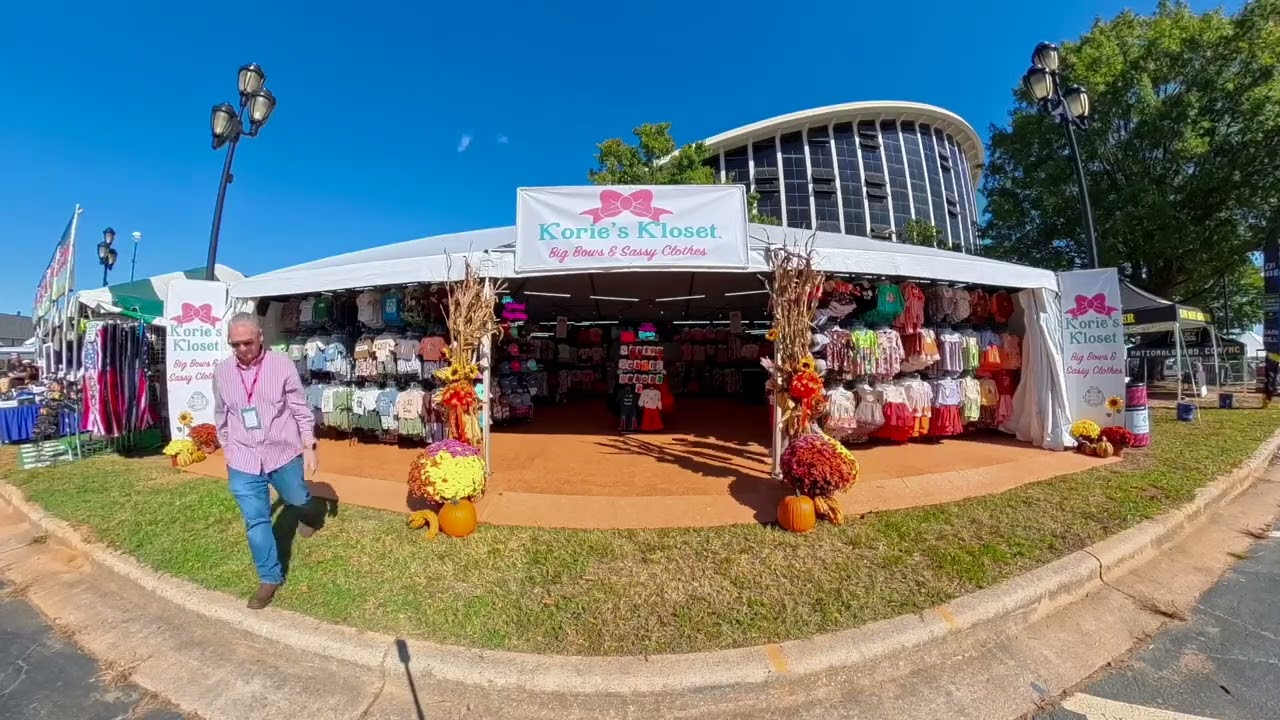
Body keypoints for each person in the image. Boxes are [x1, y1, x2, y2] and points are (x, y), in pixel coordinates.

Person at [213, 313, 320, 609]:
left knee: (297, 496)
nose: (243, 349)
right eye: (235, 344)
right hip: (243, 457)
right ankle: (269, 577)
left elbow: (299, 408)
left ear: (261, 336)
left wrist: (308, 444)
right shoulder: (222, 372)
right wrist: (227, 446)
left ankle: (309, 514)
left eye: (248, 342)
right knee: (256, 519)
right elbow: (221, 413)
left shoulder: (282, 365)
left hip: (282, 452)